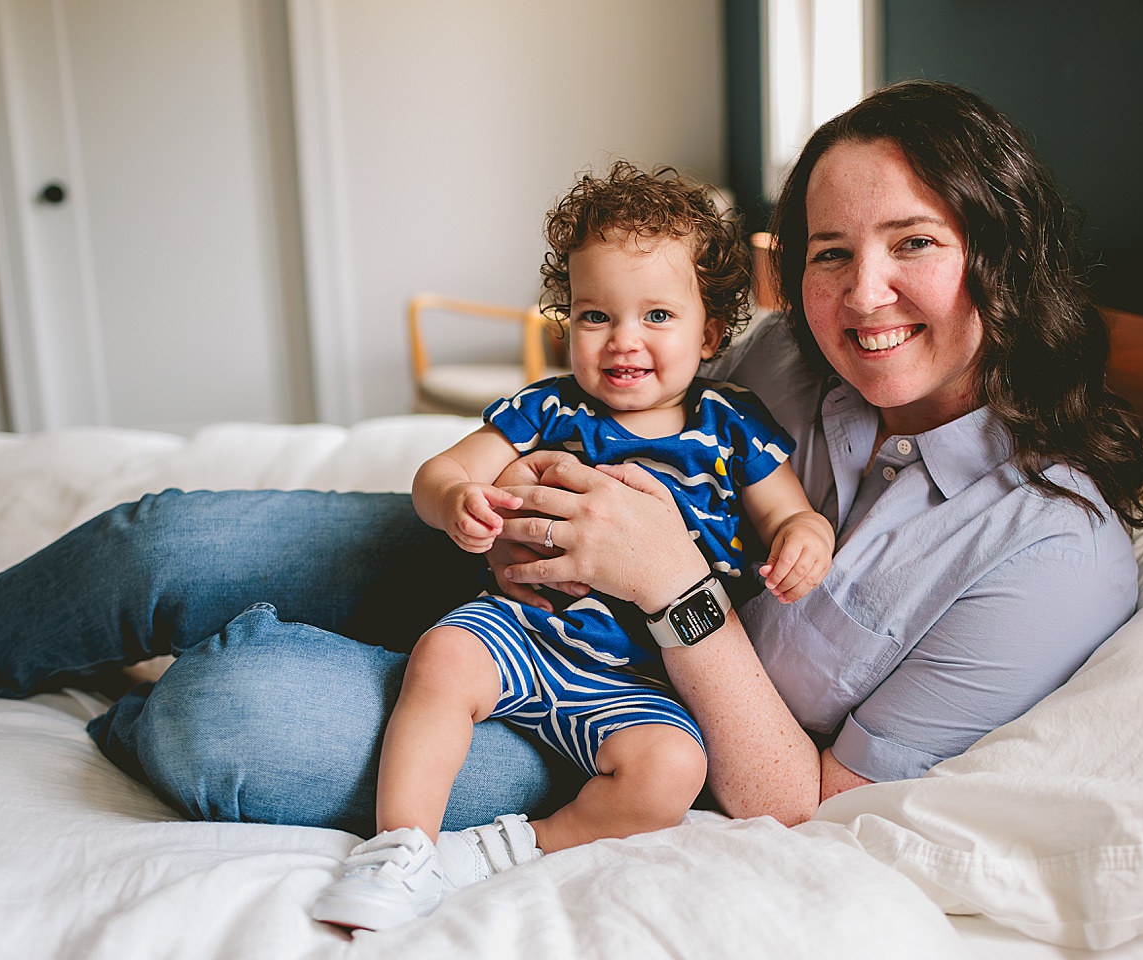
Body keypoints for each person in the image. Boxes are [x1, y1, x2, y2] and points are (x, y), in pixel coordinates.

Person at [0, 78, 1143, 878]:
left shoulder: (1050, 553)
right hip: (507, 566)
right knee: (164, 543)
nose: (862, 296)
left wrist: (673, 582)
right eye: (831, 254)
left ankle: (122, 706)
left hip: (630, 716)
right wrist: (497, 499)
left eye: (916, 246)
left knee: (232, 715)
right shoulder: (790, 353)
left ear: (999, 249)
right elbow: (637, 395)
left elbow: (810, 801)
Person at [309, 162, 833, 929]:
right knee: (444, 657)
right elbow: (442, 470)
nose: (624, 341)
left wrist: (805, 538)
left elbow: (792, 512)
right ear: (569, 320)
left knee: (672, 772)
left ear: (711, 332)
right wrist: (459, 498)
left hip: (642, 682)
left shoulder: (732, 424)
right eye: (596, 316)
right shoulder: (550, 408)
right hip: (527, 634)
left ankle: (514, 848)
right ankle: (400, 848)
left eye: (657, 316)